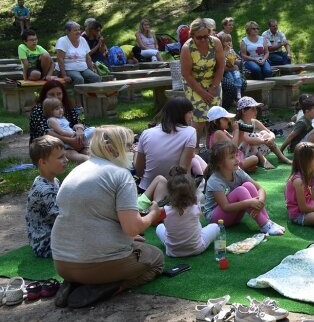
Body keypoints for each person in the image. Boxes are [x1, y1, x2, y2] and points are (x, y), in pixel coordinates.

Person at [51, 126, 165, 309]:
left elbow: (92, 218)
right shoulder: (120, 176)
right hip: (96, 264)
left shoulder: (76, 171)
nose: (133, 150)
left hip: (62, 263)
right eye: (129, 145)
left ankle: (75, 283)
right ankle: (109, 287)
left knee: (137, 244)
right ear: (113, 148)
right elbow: (133, 228)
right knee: (156, 259)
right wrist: (153, 215)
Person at [203, 140, 285, 235]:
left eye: (236, 155)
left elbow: (260, 189)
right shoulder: (215, 181)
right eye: (232, 157)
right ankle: (264, 224)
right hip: (217, 220)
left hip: (234, 217)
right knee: (240, 190)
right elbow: (225, 207)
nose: (237, 159)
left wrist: (260, 202)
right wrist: (249, 203)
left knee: (248, 185)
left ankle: (267, 221)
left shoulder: (238, 172)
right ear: (220, 163)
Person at [134, 97, 205, 192]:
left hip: (147, 188)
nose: (192, 116)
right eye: (189, 112)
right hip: (174, 191)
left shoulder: (146, 133)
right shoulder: (190, 132)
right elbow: (183, 169)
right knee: (195, 159)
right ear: (180, 114)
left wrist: (136, 153)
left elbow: (139, 171)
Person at [155, 167, 220, 257]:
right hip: (196, 248)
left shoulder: (165, 210)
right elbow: (199, 218)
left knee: (159, 227)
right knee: (215, 227)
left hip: (172, 252)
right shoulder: (196, 206)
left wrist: (154, 208)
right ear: (191, 191)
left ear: (170, 193)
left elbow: (155, 220)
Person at [180, 18, 225, 143]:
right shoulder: (187, 48)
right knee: (199, 117)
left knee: (215, 117)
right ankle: (194, 147)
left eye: (206, 36)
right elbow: (186, 74)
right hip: (193, 83)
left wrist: (214, 87)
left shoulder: (215, 42)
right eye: (199, 37)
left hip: (213, 80)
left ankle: (214, 147)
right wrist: (203, 92)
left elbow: (221, 66)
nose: (203, 39)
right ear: (192, 35)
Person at [29, 81, 90, 163]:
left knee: (87, 148)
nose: (56, 97)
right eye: (52, 94)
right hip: (50, 143)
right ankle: (86, 160)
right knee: (68, 153)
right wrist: (71, 141)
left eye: (59, 94)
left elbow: (79, 122)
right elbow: (45, 132)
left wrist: (79, 131)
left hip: (74, 139)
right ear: (45, 95)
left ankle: (95, 158)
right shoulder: (40, 109)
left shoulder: (66, 106)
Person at [26, 136, 67, 258]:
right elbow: (60, 219)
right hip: (45, 243)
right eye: (60, 157)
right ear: (43, 162)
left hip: (54, 236)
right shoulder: (45, 190)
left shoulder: (52, 180)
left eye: (64, 155)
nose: (66, 160)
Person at [235, 96, 291, 168]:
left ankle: (282, 157)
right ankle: (263, 160)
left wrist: (270, 138)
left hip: (254, 150)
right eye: (253, 109)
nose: (256, 111)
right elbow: (248, 139)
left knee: (264, 133)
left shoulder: (254, 122)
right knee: (252, 137)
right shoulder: (239, 123)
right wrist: (263, 141)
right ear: (243, 111)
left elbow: (271, 133)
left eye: (256, 108)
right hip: (244, 152)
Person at [207, 105, 259, 173]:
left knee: (253, 162)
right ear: (215, 121)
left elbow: (237, 144)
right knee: (255, 158)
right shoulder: (218, 133)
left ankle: (241, 170)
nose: (228, 121)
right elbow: (233, 147)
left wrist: (241, 132)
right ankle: (238, 170)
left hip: (232, 160)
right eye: (225, 119)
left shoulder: (223, 131)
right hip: (226, 164)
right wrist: (236, 130)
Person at [43, 97, 94, 162]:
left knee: (92, 130)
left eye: (61, 107)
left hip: (72, 137)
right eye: (57, 109)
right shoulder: (51, 120)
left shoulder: (62, 118)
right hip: (67, 142)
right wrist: (74, 134)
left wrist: (77, 129)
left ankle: (90, 154)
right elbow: (61, 132)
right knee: (72, 154)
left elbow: (68, 128)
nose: (60, 110)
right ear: (49, 111)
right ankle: (86, 159)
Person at [56, 21, 101, 86]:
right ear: (68, 32)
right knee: (79, 79)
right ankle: (78, 96)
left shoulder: (82, 40)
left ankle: (93, 95)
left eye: (78, 30)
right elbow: (60, 59)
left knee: (96, 77)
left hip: (83, 68)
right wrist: (64, 75)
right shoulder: (62, 41)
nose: (78, 32)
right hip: (68, 69)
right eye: (75, 30)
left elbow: (88, 57)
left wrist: (91, 70)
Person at [218, 32, 244, 105]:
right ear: (222, 43)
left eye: (229, 41)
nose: (228, 43)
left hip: (233, 67)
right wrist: (226, 51)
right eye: (226, 41)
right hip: (226, 71)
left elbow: (237, 58)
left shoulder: (231, 50)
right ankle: (234, 97)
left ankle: (238, 92)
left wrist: (235, 59)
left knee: (238, 77)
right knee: (231, 79)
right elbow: (222, 60)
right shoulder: (221, 51)